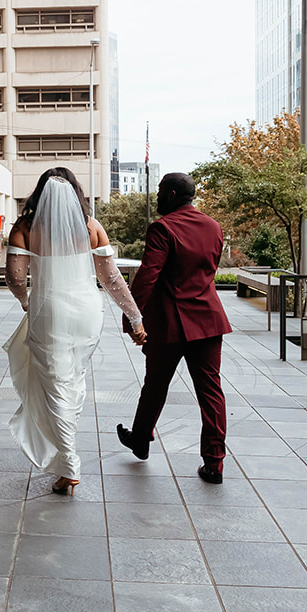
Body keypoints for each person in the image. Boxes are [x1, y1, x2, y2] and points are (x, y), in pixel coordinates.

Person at [4, 168, 145, 495]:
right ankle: (65, 455)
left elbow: (14, 277)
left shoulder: (25, 228)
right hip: (87, 312)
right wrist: (135, 317)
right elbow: (112, 280)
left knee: (55, 384)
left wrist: (26, 300)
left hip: (49, 312)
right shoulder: (92, 227)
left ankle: (68, 466)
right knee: (72, 380)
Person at [117, 172, 234, 484]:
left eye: (158, 191)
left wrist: (132, 317)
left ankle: (141, 440)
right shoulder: (214, 226)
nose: (156, 197)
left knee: (155, 384)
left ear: (170, 194)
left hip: (170, 323)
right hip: (208, 322)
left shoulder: (162, 228)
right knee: (211, 393)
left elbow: (147, 276)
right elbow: (208, 270)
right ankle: (214, 463)